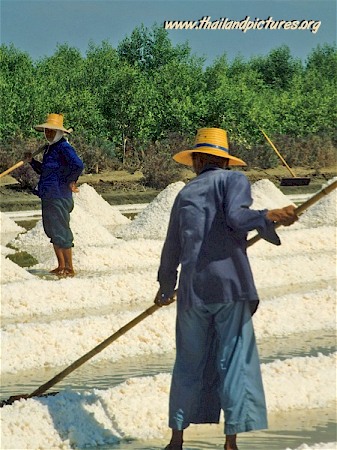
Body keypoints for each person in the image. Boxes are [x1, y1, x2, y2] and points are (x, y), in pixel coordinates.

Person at [154, 127, 298, 450]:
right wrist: (270, 215)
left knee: (187, 363)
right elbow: (236, 217)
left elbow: (171, 247)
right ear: (223, 160)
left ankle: (176, 439)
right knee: (232, 361)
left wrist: (166, 286)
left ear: (200, 160)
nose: (193, 164)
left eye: (194, 159)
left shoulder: (185, 194)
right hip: (229, 287)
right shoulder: (233, 181)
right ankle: (230, 443)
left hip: (191, 292)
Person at [25, 113, 84, 276]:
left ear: (59, 132)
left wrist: (70, 180)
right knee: (52, 230)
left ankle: (69, 268)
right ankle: (61, 266)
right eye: (47, 131)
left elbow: (78, 165)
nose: (49, 134)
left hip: (59, 195)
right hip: (48, 194)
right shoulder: (50, 148)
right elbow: (45, 171)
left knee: (62, 231)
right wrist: (32, 162)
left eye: (52, 131)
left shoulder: (64, 147)